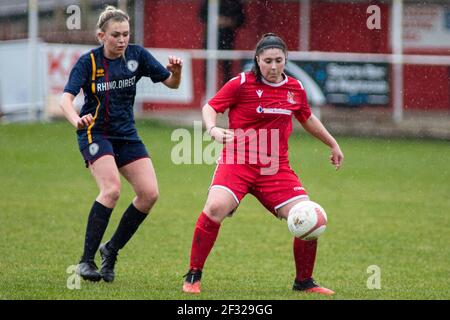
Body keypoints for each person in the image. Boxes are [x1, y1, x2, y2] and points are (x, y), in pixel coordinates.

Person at [182, 33, 344, 295]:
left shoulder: (295, 88)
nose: (272, 66)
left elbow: (307, 118)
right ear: (257, 60)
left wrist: (332, 143)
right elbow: (210, 107)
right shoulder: (241, 84)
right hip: (238, 161)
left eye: (278, 60)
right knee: (215, 208)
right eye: (267, 60)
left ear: (285, 60)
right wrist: (212, 129)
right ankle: (193, 275)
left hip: (274, 168)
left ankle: (304, 282)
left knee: (309, 214)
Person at [61, 5, 182, 283]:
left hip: (126, 134)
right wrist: (75, 119)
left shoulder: (137, 55)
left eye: (126, 34)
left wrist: (175, 73)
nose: (122, 40)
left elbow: (172, 85)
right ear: (101, 36)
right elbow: (65, 98)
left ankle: (111, 249)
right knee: (112, 189)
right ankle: (86, 261)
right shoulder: (88, 62)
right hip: (95, 133)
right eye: (115, 35)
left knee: (149, 194)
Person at [199, 0, 245, 85]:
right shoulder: (209, 2)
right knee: (208, 68)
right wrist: (213, 20)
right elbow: (201, 15)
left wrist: (229, 21)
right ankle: (207, 93)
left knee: (227, 70)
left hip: (228, 40)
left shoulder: (235, 3)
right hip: (210, 40)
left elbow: (241, 19)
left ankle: (226, 93)